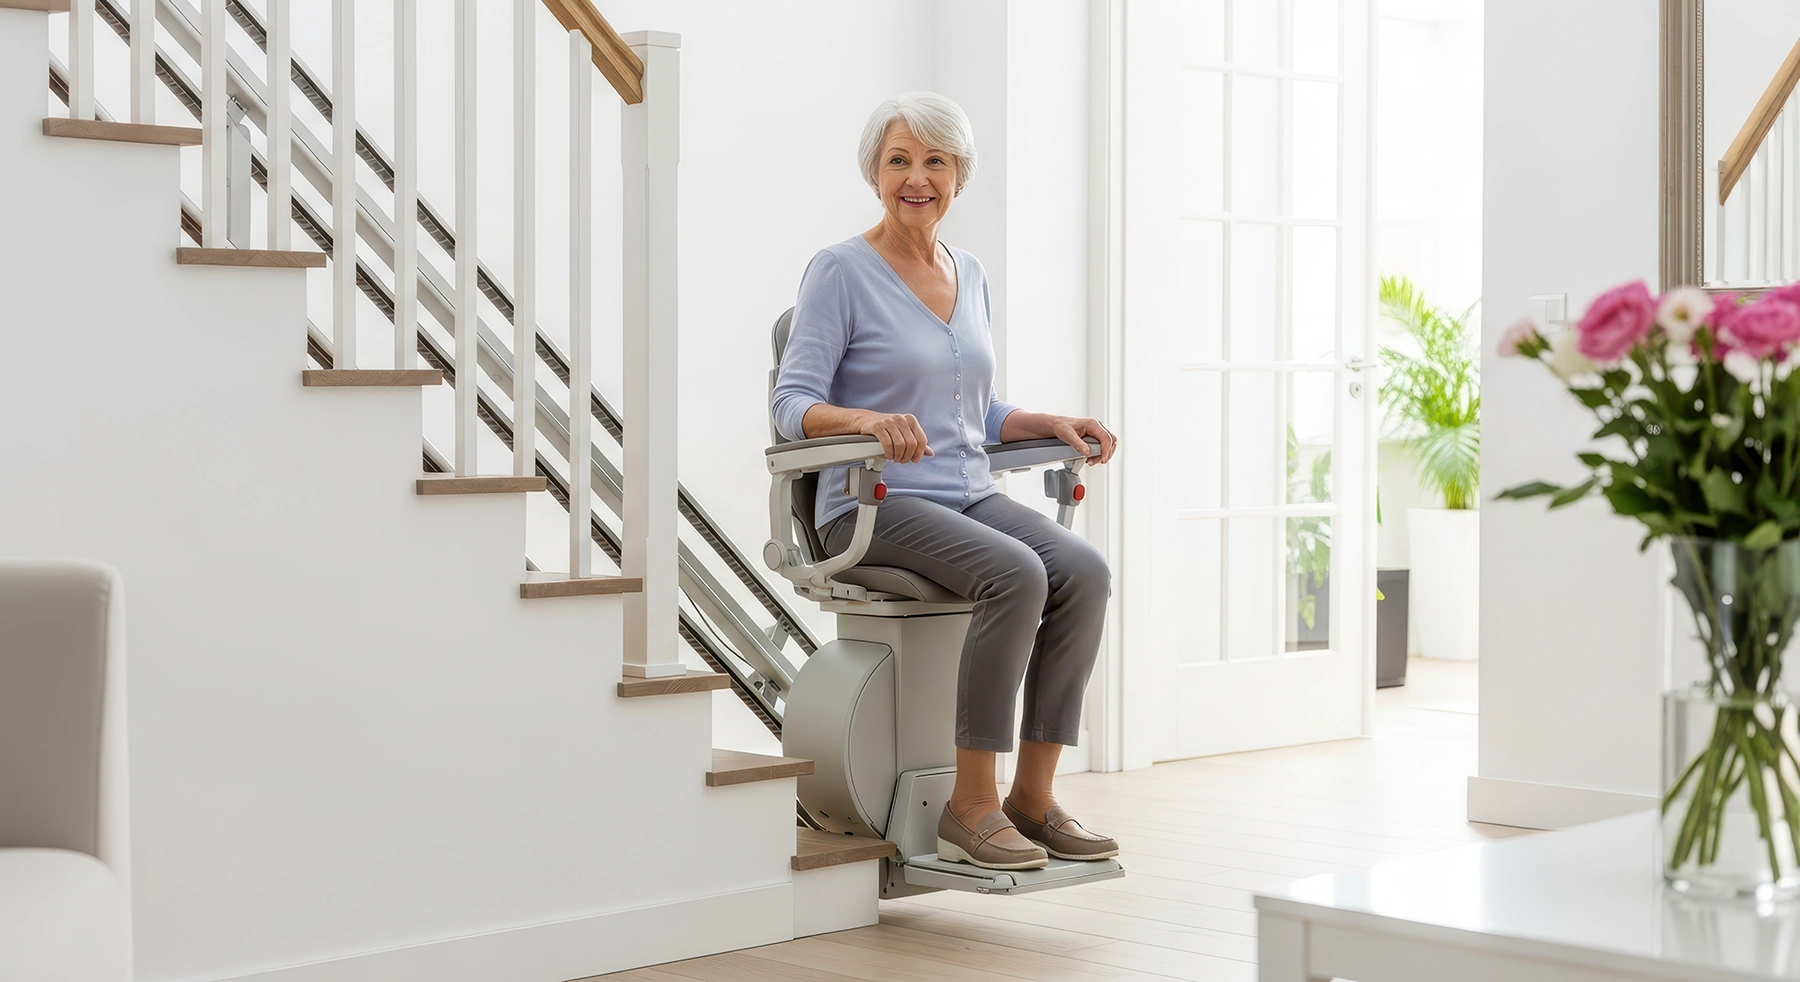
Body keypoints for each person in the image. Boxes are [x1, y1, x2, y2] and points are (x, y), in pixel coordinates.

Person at [770, 91, 1120, 871]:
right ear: (875, 174)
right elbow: (792, 403)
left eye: (935, 162)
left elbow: (976, 408)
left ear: (960, 175)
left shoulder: (971, 274)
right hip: (872, 508)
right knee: (1017, 572)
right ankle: (971, 804)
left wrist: (1046, 422)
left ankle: (1032, 798)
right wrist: (863, 422)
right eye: (899, 160)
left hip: (964, 494)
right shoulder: (839, 271)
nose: (916, 178)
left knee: (1084, 572)